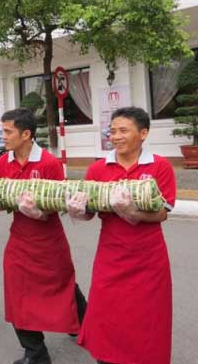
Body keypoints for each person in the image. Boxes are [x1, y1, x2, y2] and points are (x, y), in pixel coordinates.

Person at [65, 107, 176, 364]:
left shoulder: (159, 166)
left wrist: (133, 213)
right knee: (107, 315)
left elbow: (162, 213)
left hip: (149, 258)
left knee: (147, 319)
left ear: (144, 133)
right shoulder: (99, 169)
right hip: (111, 255)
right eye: (112, 131)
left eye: (123, 130)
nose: (116, 136)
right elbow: (89, 213)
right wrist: (77, 211)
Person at [0, 108, 86, 364]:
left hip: (49, 238)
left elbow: (60, 205)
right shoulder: (1, 163)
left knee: (63, 285)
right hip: (20, 238)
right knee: (17, 292)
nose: (3, 136)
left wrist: (40, 212)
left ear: (26, 134)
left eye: (7, 131)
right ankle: (35, 351)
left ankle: (84, 325)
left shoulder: (49, 163)